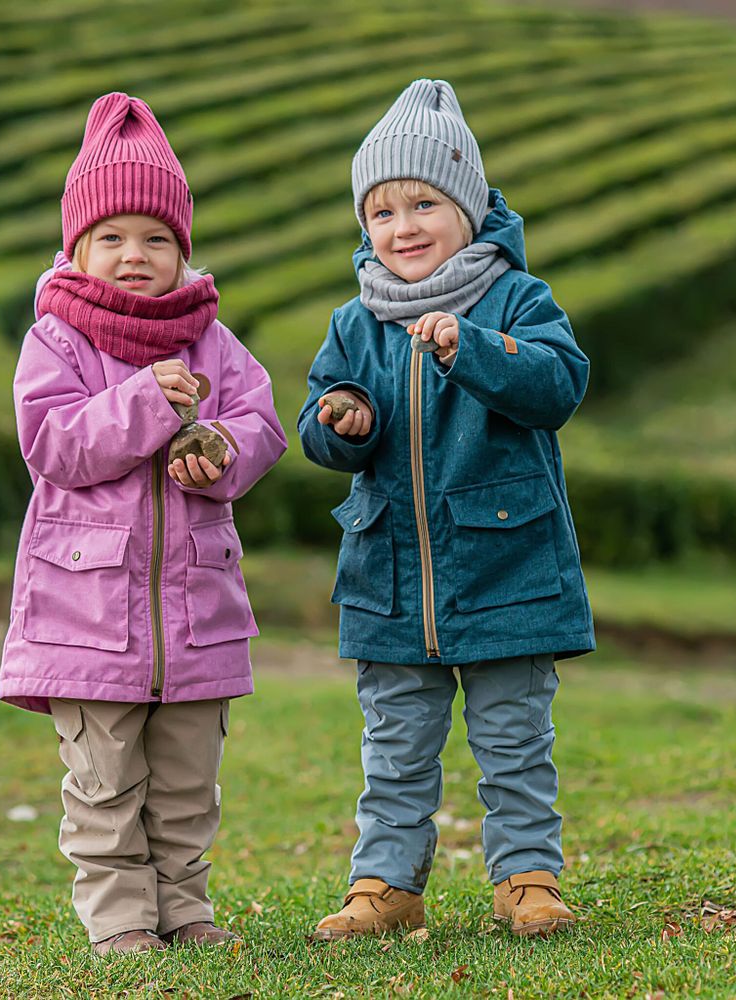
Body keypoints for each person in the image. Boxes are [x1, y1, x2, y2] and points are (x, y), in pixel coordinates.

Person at [298, 79, 594, 940]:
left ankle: (528, 878)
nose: (403, 227)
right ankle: (386, 885)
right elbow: (323, 428)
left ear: (468, 207)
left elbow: (557, 384)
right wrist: (343, 425)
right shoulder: (356, 323)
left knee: (513, 742)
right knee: (395, 747)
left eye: (424, 202)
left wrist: (476, 349)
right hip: (389, 578)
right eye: (382, 213)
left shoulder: (515, 302)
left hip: (507, 571)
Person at [0, 92, 286, 955]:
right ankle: (122, 919)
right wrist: (143, 405)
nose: (136, 256)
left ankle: (185, 909)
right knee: (104, 779)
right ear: (78, 246)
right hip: (89, 620)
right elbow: (54, 444)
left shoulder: (214, 343)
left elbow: (261, 424)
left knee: (188, 783)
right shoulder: (56, 340)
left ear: (183, 250)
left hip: (195, 617)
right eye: (113, 237)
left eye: (157, 239)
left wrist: (217, 449)